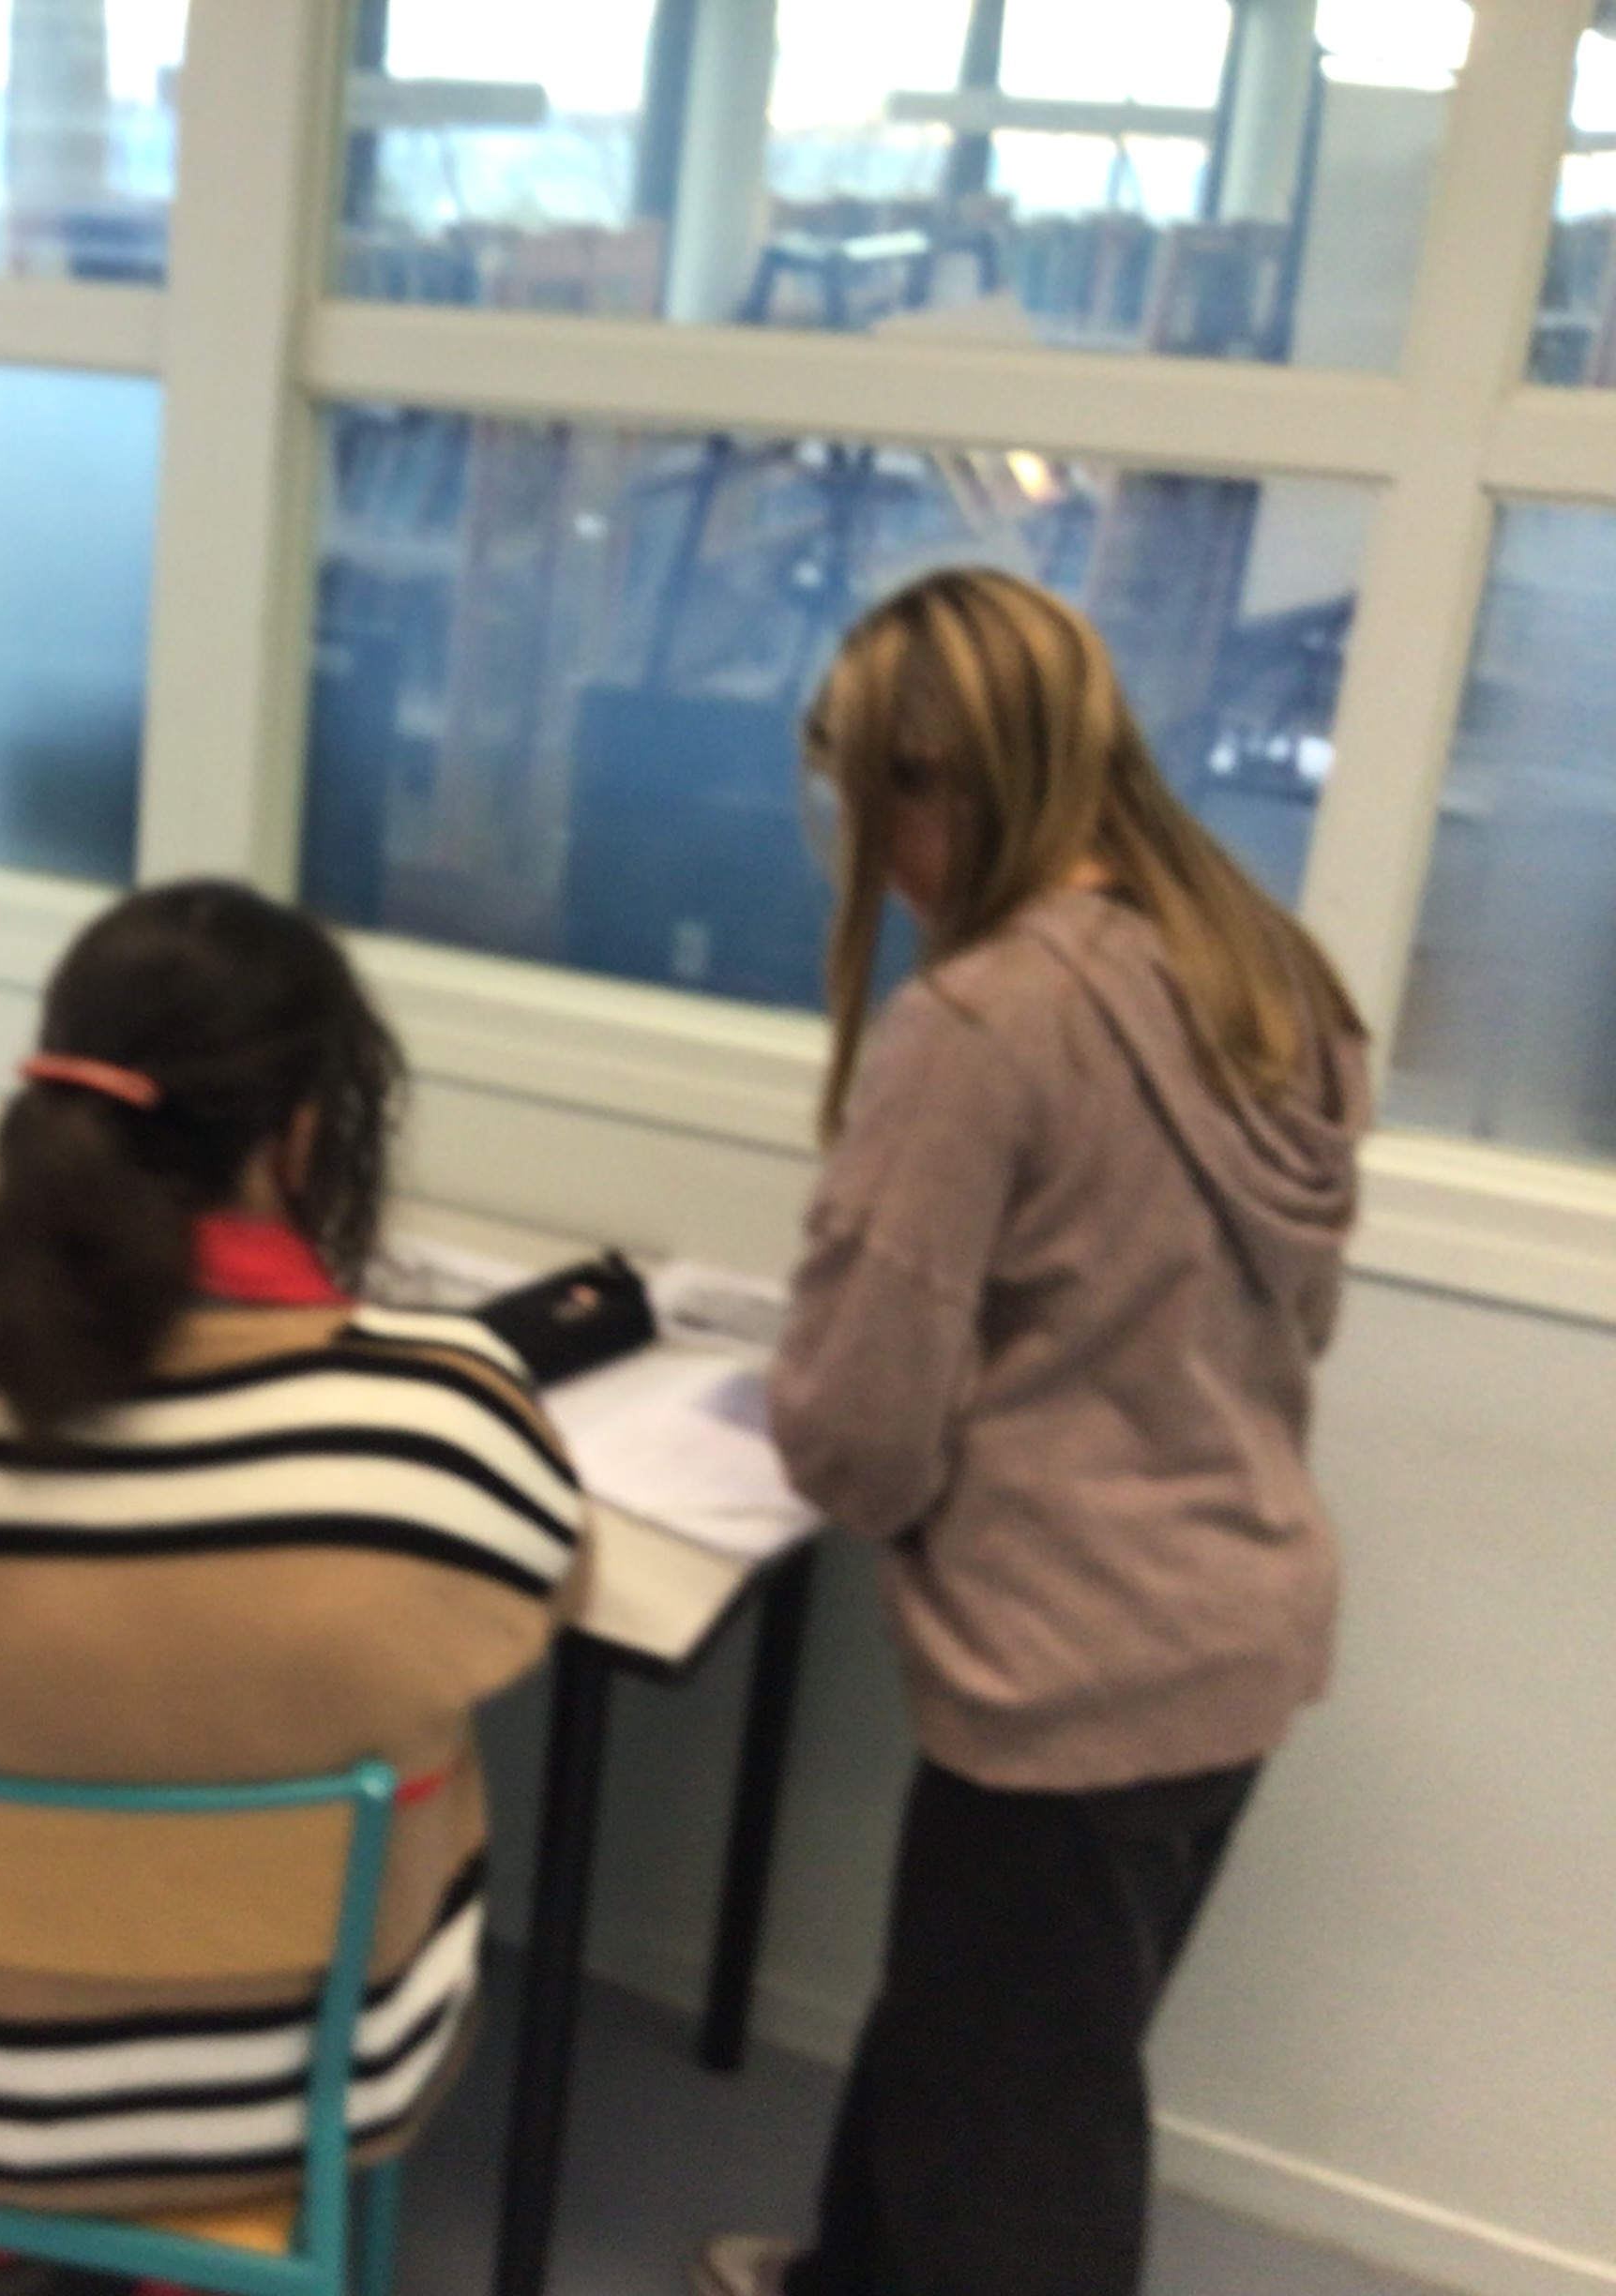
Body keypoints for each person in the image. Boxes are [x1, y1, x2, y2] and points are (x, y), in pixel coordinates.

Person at [694, 570, 1370, 2296]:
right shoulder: (1263, 974)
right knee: (978, 2027)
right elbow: (1294, 1318)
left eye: (864, 807)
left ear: (931, 787)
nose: (871, 862)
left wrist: (864, 1436)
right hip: (1232, 1627)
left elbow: (860, 1435)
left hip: (1068, 1667)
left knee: (1024, 2139)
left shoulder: (988, 1022)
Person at [0, 880, 588, 2214]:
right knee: (426, 1738)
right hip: (323, 2087)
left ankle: (3, 2231)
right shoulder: (460, 1416)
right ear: (303, 1137)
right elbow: (554, 1590)